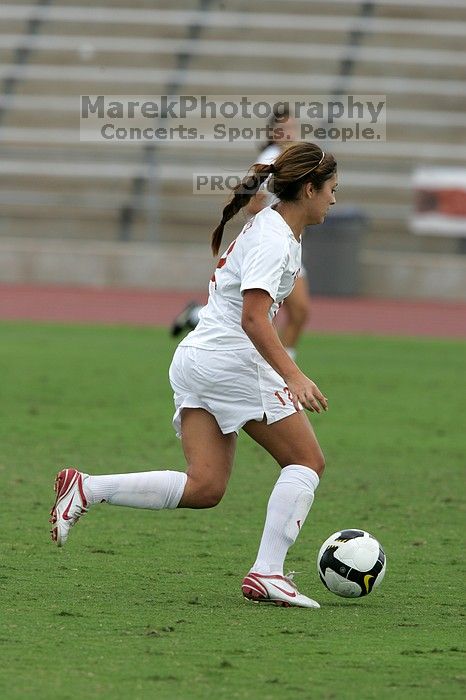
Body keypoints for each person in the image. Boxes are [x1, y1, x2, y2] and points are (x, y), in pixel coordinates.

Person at [50, 142, 338, 608]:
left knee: (205, 487)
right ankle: (268, 573)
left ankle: (86, 487)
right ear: (309, 189)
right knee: (307, 462)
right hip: (232, 360)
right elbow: (253, 318)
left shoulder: (271, 227)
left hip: (198, 358)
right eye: (331, 190)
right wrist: (295, 375)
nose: (333, 199)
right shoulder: (273, 238)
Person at [171, 109, 311, 361]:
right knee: (288, 312)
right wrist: (274, 222)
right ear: (272, 133)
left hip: (287, 244)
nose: (289, 131)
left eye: (293, 126)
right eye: (283, 127)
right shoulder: (272, 158)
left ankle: (196, 315)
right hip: (275, 244)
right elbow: (252, 203)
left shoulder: (291, 159)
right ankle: (282, 370)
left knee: (281, 312)